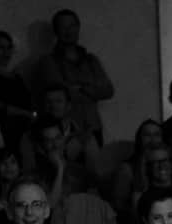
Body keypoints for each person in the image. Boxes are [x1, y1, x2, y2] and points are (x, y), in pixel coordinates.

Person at [37, 8, 114, 146]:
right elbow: (60, 95)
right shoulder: (48, 61)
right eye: (63, 27)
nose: (68, 31)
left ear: (78, 28)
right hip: (63, 130)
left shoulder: (91, 60)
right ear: (56, 31)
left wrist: (80, 88)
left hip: (93, 127)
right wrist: (90, 89)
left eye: (72, 26)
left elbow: (108, 90)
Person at [0, 30, 34, 157]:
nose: (6, 52)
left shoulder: (17, 77)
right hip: (3, 132)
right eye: (1, 48)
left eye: (9, 48)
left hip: (24, 132)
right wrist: (26, 114)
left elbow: (28, 102)